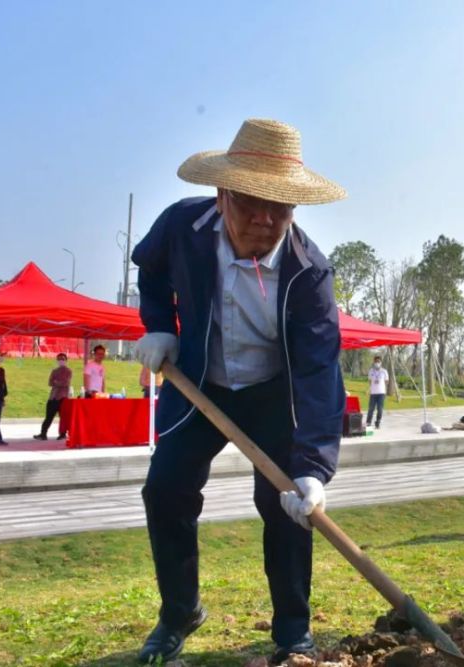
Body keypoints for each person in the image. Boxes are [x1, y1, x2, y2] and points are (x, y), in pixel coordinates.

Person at [131, 118, 346, 664]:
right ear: (222, 193)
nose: (265, 219)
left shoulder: (309, 273)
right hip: (200, 383)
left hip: (272, 393)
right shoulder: (183, 227)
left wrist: (313, 468)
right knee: (166, 491)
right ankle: (180, 612)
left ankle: (293, 631)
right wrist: (158, 325)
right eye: (251, 201)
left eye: (281, 206)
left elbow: (320, 371)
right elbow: (151, 272)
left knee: (287, 506)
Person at [34, 353, 72, 441]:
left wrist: (56, 382)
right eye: (59, 359)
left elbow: (66, 383)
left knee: (63, 417)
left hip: (62, 397)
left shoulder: (68, 371)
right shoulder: (54, 371)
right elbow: (50, 382)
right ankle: (43, 434)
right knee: (48, 417)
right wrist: (58, 382)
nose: (61, 360)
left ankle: (63, 434)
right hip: (53, 397)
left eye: (62, 359)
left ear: (66, 360)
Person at [366, 355, 388, 429]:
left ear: (381, 362)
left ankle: (377, 423)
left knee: (380, 409)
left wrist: (385, 390)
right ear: (374, 362)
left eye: (378, 361)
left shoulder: (384, 371)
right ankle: (368, 422)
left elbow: (386, 382)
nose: (377, 363)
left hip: (381, 393)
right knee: (371, 408)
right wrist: (370, 389)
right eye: (376, 361)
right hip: (373, 393)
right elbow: (369, 381)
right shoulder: (371, 371)